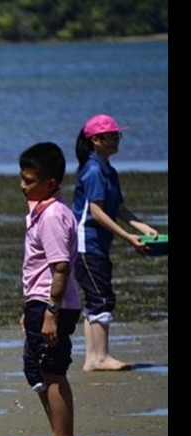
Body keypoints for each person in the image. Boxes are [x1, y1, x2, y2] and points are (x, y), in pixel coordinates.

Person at [72, 114, 159, 371]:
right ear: (96, 140)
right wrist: (128, 237)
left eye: (117, 135)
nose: (116, 139)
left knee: (96, 297)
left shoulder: (108, 170)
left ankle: (93, 358)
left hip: (98, 245)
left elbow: (118, 207)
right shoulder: (93, 170)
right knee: (101, 297)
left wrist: (142, 227)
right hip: (86, 244)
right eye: (112, 135)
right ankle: (100, 357)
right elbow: (96, 212)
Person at [18, 142, 83, 436]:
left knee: (53, 370)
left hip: (53, 304)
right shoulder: (43, 210)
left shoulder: (54, 216)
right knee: (37, 368)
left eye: (29, 181)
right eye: (22, 178)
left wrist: (50, 312)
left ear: (50, 183)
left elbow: (61, 267)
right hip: (39, 301)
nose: (22, 186)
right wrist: (30, 308)